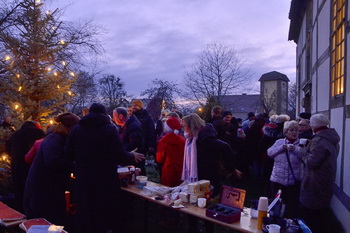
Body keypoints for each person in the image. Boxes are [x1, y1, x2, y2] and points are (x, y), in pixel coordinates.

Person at [65, 103, 144, 233]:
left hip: (84, 176)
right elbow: (118, 153)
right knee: (103, 210)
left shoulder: (77, 129)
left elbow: (68, 153)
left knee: (86, 209)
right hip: (105, 177)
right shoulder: (109, 129)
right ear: (103, 114)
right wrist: (131, 155)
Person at [182, 113, 239, 233]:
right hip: (196, 178)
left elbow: (227, 149)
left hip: (208, 178)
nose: (183, 129)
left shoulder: (207, 139)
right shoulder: (192, 138)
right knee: (192, 206)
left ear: (192, 126)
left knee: (207, 208)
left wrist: (231, 168)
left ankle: (208, 229)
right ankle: (194, 228)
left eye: (184, 126)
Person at [24, 113, 80, 226]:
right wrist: (74, 165)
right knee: (48, 221)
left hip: (48, 187)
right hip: (44, 189)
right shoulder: (55, 139)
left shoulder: (57, 138)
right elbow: (53, 161)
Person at [299, 114, 340, 233]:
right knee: (322, 213)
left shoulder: (319, 141)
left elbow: (312, 162)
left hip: (315, 181)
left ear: (315, 126)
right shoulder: (332, 138)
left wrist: (304, 150)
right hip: (326, 179)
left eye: (311, 124)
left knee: (312, 215)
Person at [6, 121, 45, 212]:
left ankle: (20, 212)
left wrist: (13, 156)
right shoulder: (37, 133)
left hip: (16, 165)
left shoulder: (16, 134)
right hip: (30, 165)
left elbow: (7, 147)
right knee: (31, 192)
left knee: (19, 191)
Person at [267, 120, 302, 218]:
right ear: (285, 132)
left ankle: (289, 223)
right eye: (291, 130)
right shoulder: (279, 142)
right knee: (275, 203)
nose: (294, 132)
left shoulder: (302, 144)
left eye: (296, 130)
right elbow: (270, 153)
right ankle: (274, 221)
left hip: (294, 181)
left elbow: (305, 157)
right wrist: (282, 148)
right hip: (277, 179)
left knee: (291, 205)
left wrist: (295, 149)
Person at [156, 117, 185, 187]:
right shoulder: (183, 140)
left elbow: (159, 159)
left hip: (168, 170)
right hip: (181, 170)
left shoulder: (163, 141)